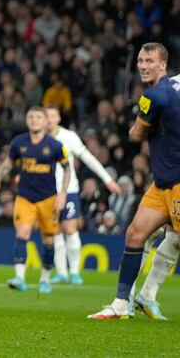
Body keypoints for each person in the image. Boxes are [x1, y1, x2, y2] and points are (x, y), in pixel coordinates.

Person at [89, 43, 180, 319]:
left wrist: (139, 124)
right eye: (140, 60)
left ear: (163, 65)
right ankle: (121, 303)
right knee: (136, 234)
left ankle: (142, 297)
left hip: (177, 182)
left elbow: (135, 135)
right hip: (162, 183)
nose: (143, 66)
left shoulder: (154, 96)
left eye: (149, 61)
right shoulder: (174, 86)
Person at [0, 106, 71, 294]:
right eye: (31, 117)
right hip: (25, 197)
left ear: (44, 122)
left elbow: (67, 169)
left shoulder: (55, 145)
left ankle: (45, 278)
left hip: (48, 198)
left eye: (38, 117)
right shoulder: (19, 143)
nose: (34, 120)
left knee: (48, 240)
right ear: (27, 120)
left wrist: (63, 194)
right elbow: (8, 164)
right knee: (22, 233)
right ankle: (19, 277)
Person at [44, 105, 122, 285]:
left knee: (71, 229)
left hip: (68, 189)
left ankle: (75, 272)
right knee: (53, 231)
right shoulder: (39, 138)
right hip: (47, 192)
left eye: (52, 115)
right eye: (46, 116)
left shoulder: (68, 137)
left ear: (58, 118)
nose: (49, 119)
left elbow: (88, 158)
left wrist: (107, 179)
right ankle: (62, 272)